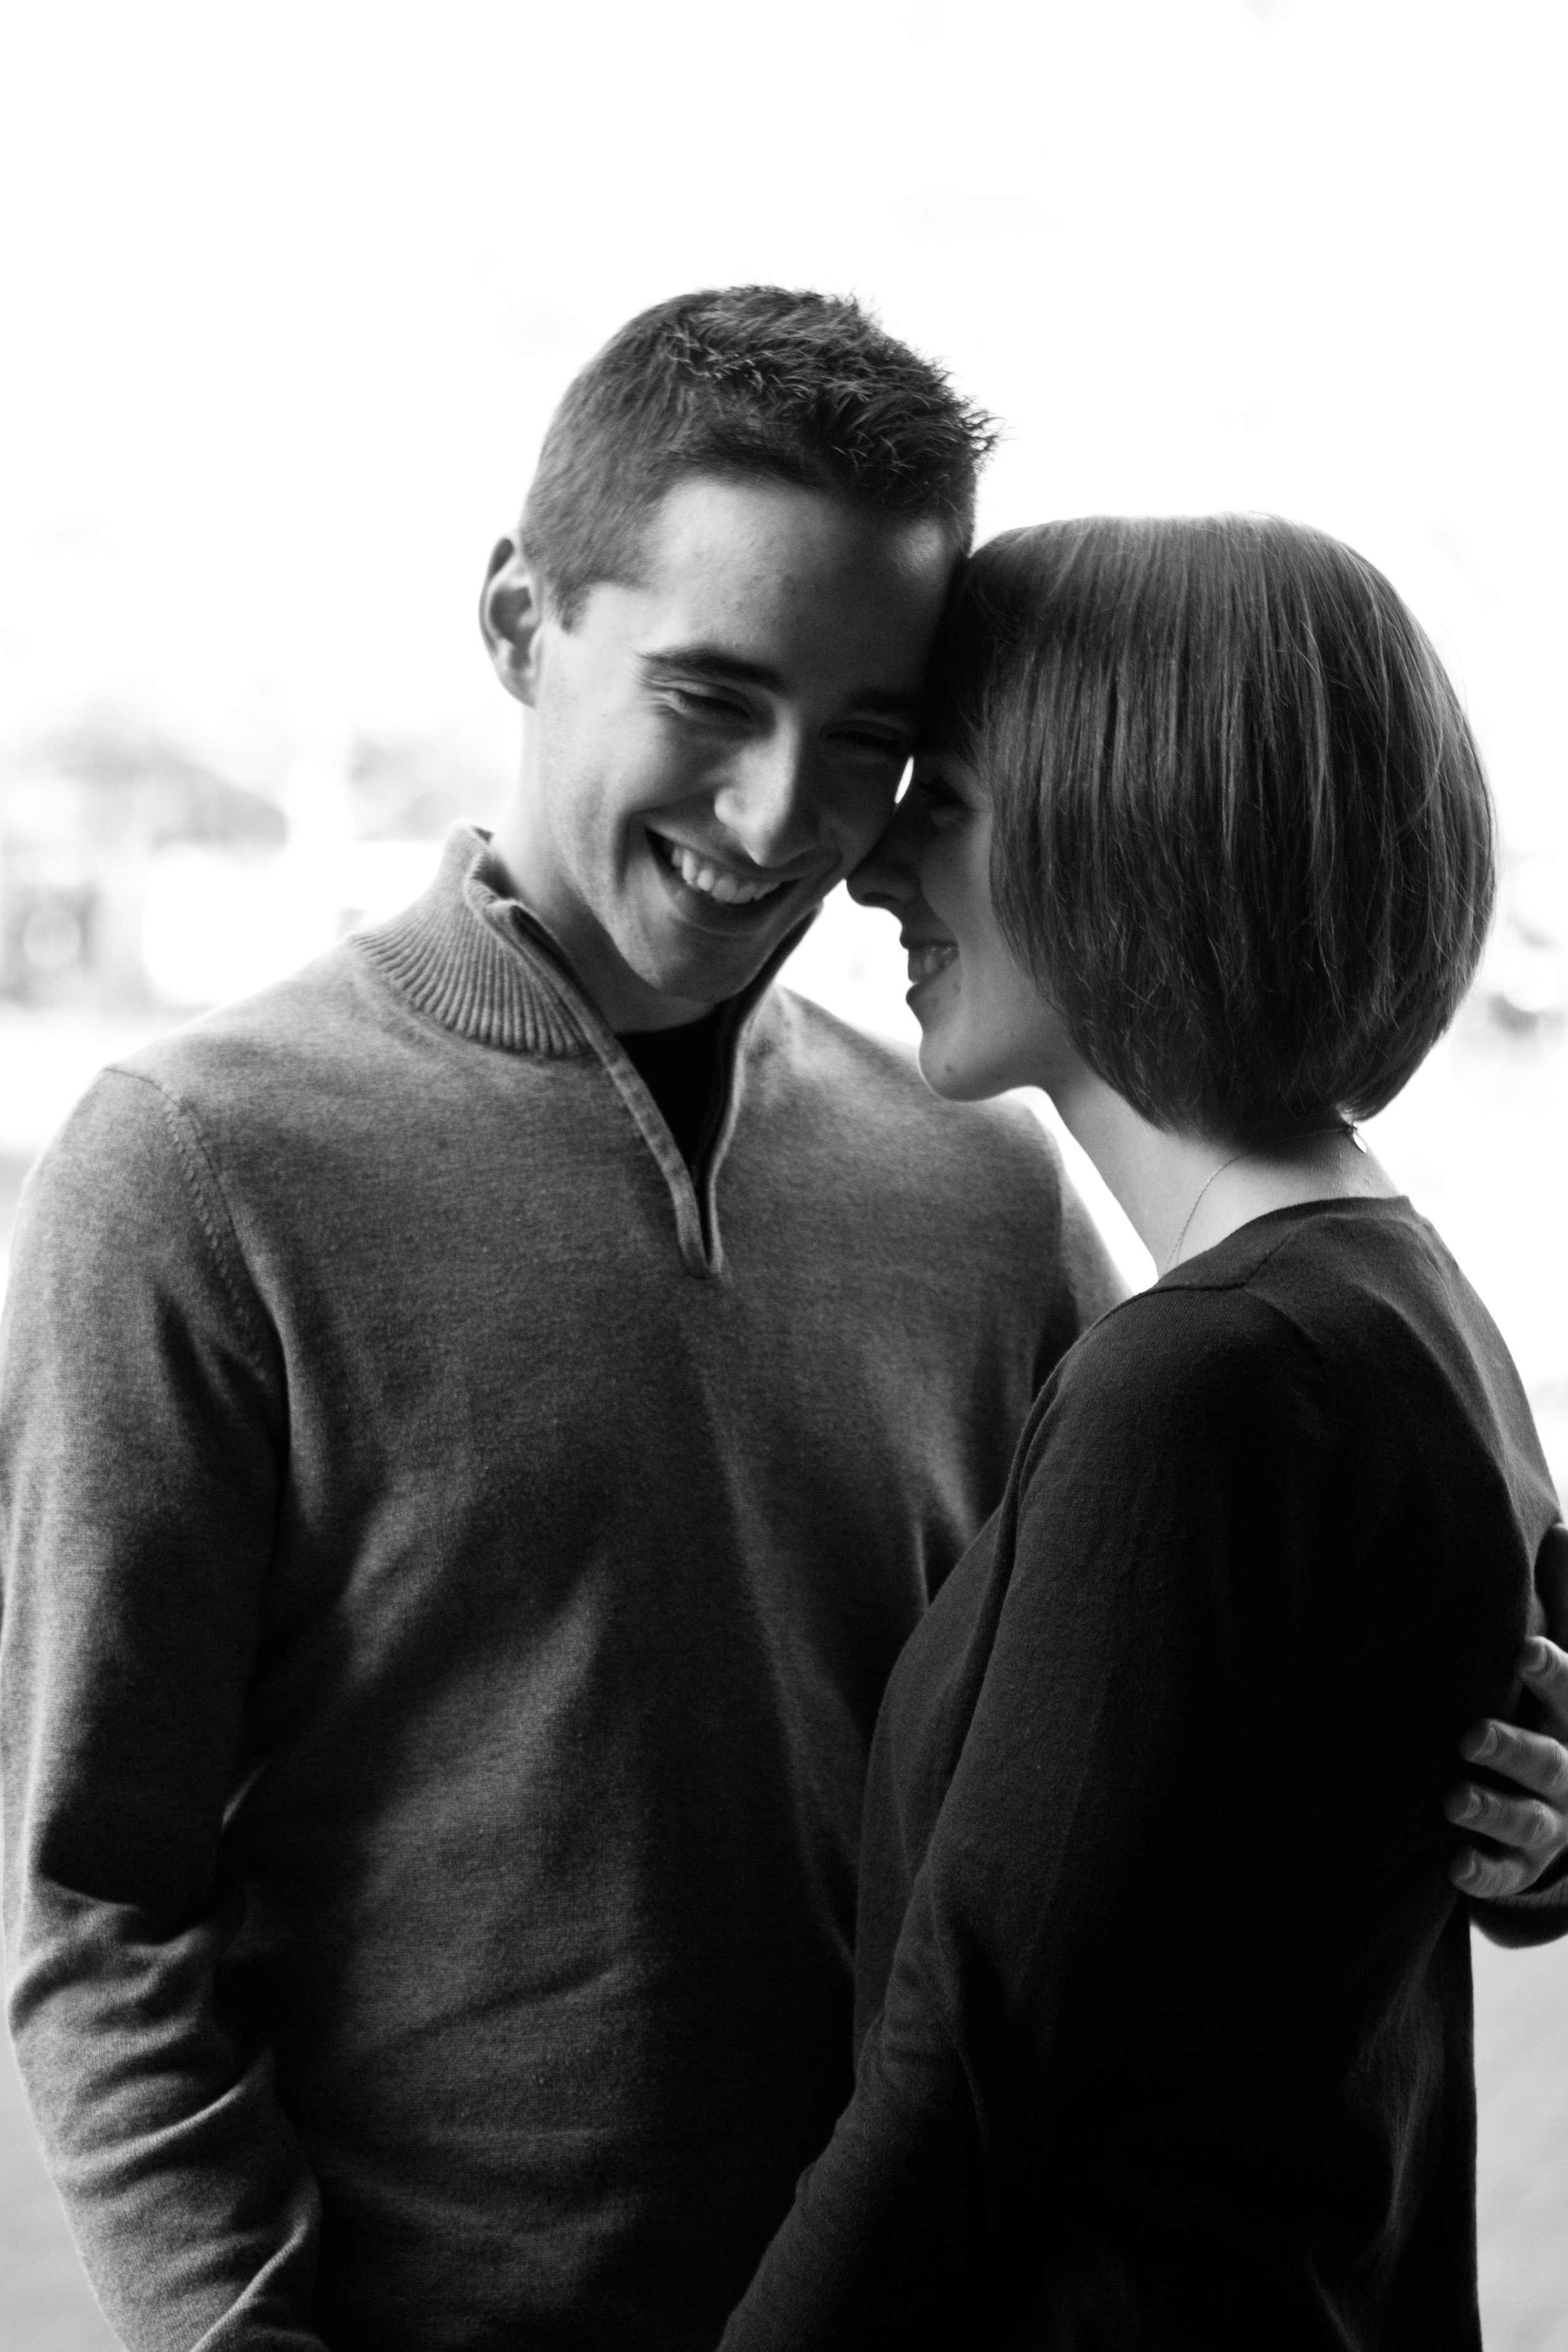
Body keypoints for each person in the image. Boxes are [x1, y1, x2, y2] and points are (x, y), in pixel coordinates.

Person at [0, 299, 1562, 2352]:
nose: (779, 817)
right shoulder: (191, 1171)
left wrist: (1504, 1788)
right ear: (515, 621)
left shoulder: (981, 1178)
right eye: (710, 696)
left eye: (867, 739)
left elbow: (1175, 1707)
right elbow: (100, 1903)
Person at [718, 515, 1568, 2351]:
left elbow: (967, 2079)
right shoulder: (1411, 1313)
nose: (867, 867)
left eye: (937, 801)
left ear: (1133, 826)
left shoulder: (1205, 1383)